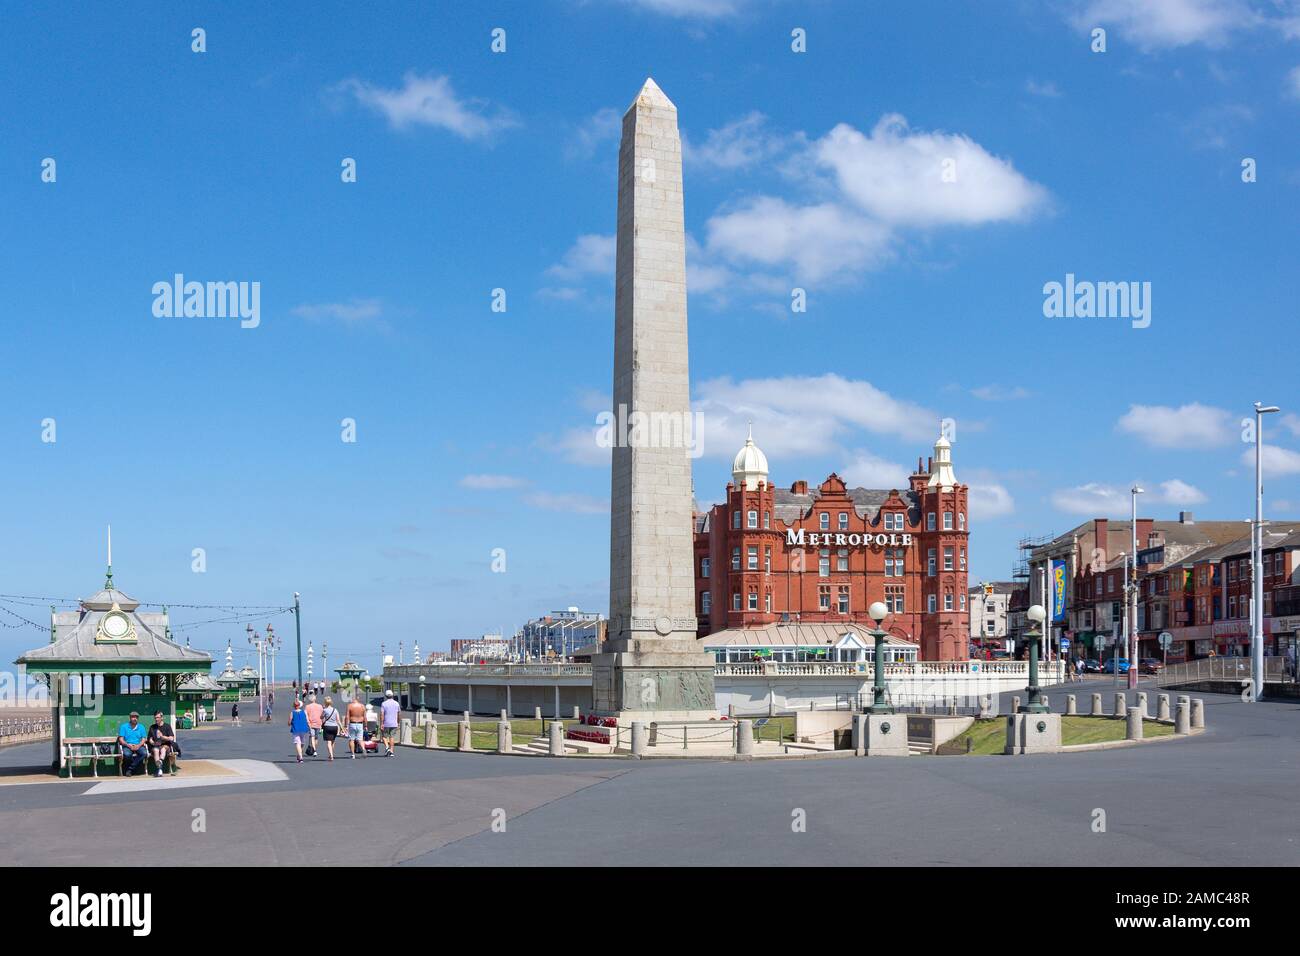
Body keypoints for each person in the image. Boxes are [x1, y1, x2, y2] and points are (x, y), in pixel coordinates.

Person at [147, 711, 179, 777]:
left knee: (163, 749)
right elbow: (150, 738)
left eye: (158, 717)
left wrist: (162, 737)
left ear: (162, 718)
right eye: (155, 718)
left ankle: (160, 762)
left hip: (166, 745)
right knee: (156, 750)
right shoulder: (152, 727)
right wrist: (152, 742)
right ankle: (160, 769)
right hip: (156, 746)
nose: (156, 719)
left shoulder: (167, 726)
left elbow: (171, 738)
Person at [117, 711, 149, 776]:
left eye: (136, 717)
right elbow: (121, 739)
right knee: (127, 754)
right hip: (127, 745)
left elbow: (144, 739)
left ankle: (130, 769)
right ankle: (131, 769)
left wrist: (139, 745)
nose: (135, 719)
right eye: (133, 717)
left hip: (138, 745)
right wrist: (127, 745)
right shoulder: (124, 727)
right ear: (130, 718)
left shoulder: (141, 727)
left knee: (144, 753)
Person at [379, 689, 401, 757]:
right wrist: (398, 722)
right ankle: (391, 751)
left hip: (386, 723)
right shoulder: (396, 703)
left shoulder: (384, 703)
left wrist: (381, 723)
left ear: (386, 696)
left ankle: (387, 747)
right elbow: (399, 714)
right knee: (392, 737)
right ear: (392, 695)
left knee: (384, 736)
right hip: (394, 723)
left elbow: (382, 714)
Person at [288, 699, 310, 764]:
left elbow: (289, 722)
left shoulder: (292, 713)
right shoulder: (304, 712)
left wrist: (290, 723)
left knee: (298, 743)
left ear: (294, 706)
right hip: (304, 729)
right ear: (299, 705)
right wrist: (309, 727)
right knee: (302, 743)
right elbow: (307, 720)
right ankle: (300, 756)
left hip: (296, 729)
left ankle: (300, 756)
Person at [319, 696, 341, 761]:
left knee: (328, 742)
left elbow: (321, 717)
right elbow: (338, 720)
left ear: (325, 703)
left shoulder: (325, 710)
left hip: (327, 726)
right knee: (333, 741)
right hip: (334, 727)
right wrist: (342, 728)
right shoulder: (335, 710)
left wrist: (323, 710)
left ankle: (331, 755)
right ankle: (331, 754)